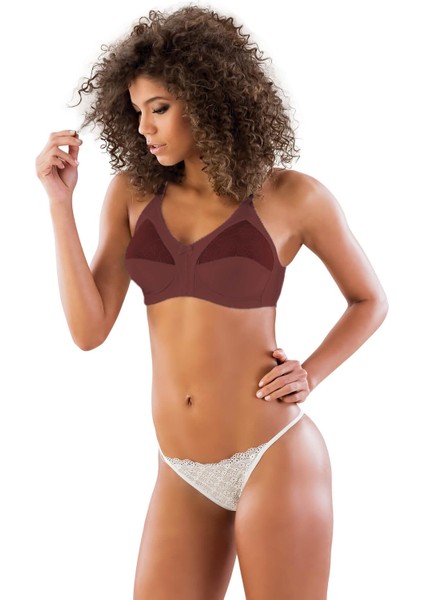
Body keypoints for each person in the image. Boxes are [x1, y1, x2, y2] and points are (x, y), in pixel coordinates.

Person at [35, 5, 388, 599]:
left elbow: (368, 300)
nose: (144, 128)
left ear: (208, 98)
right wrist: (59, 205)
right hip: (181, 469)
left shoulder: (292, 197)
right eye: (137, 111)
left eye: (159, 108)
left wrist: (311, 373)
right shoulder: (131, 195)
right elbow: (88, 330)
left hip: (274, 454)